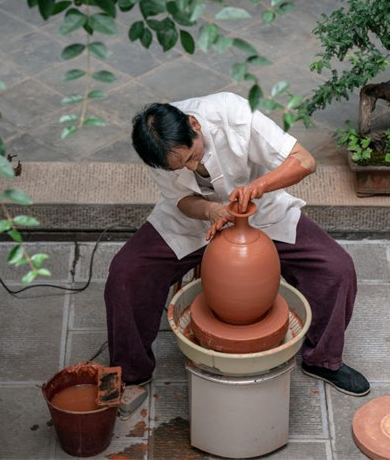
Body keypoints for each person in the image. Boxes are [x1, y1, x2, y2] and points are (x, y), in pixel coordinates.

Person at [104, 92, 370, 396]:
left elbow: (304, 161)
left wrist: (257, 187)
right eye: (181, 166)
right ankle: (131, 371)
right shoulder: (159, 150)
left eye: (192, 156)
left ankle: (323, 360)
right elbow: (181, 199)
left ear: (195, 125)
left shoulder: (235, 115)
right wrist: (212, 211)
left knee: (336, 268)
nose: (190, 167)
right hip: (194, 221)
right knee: (125, 274)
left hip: (261, 213)